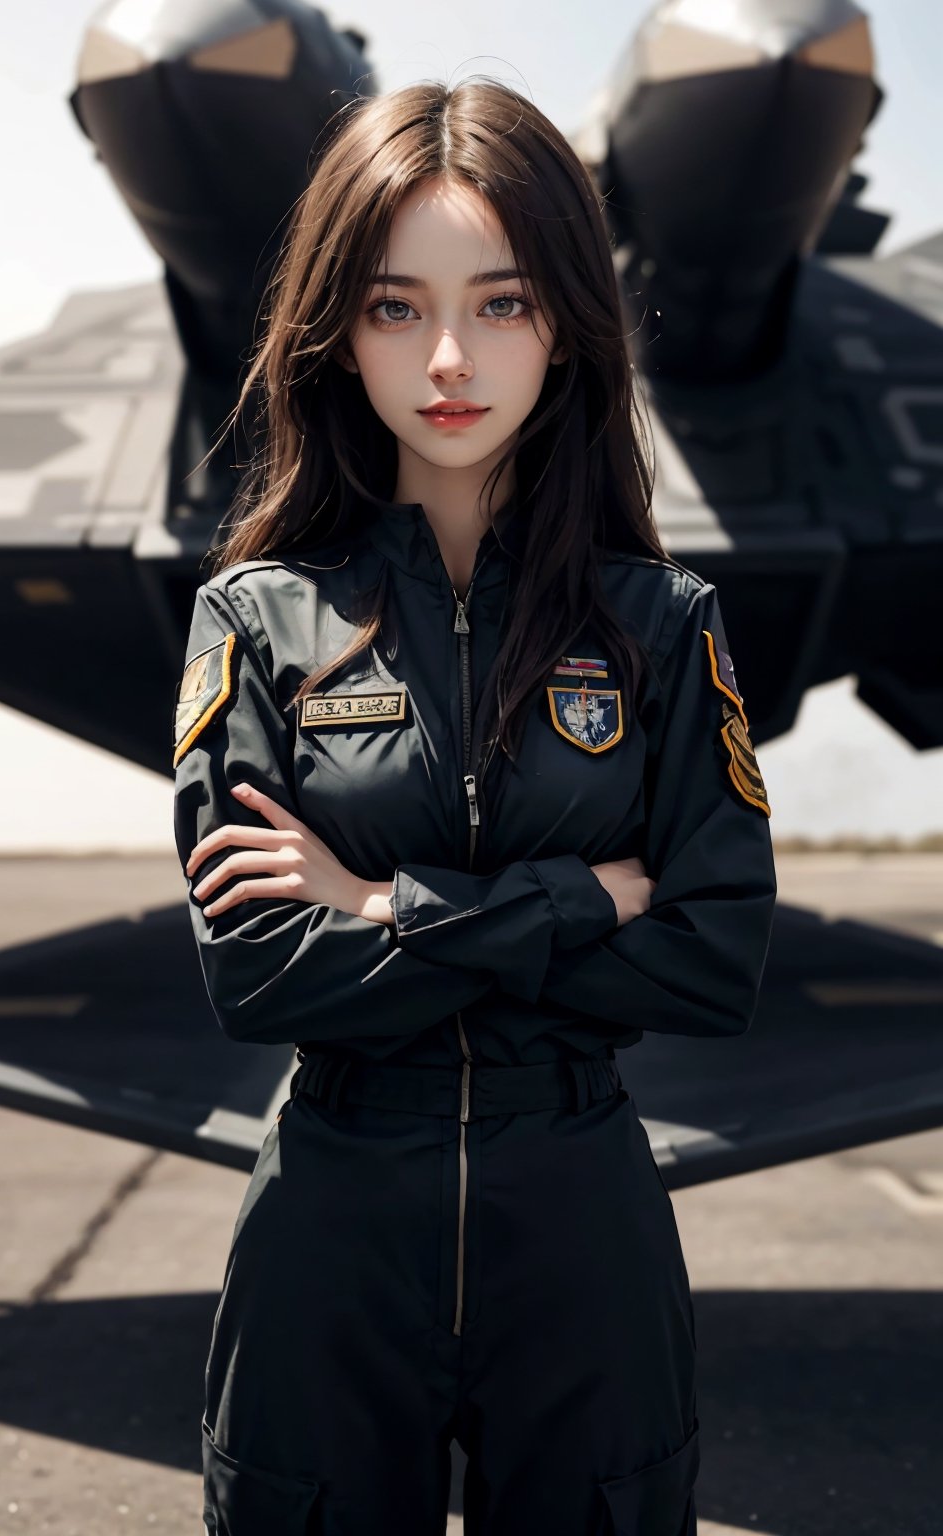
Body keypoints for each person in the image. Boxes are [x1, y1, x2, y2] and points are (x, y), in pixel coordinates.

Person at [172, 77, 777, 1536]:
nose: (450, 357)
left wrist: (377, 905)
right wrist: (583, 898)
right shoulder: (256, 621)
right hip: (330, 1222)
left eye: (501, 302)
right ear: (336, 330)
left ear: (567, 319)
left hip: (582, 1221)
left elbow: (712, 955)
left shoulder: (663, 622)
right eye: (394, 307)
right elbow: (254, 970)